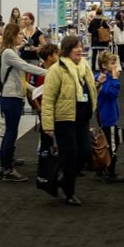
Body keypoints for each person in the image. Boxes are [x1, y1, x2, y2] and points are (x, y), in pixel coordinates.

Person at [41, 35, 98, 206]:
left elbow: (89, 90)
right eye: (76, 47)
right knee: (70, 154)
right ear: (67, 50)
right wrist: (47, 125)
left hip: (82, 118)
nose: (80, 50)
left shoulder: (84, 66)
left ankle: (64, 177)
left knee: (86, 152)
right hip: (64, 119)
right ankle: (69, 192)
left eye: (80, 46)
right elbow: (48, 99)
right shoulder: (56, 70)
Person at [0, 23, 47, 182]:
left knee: (11, 132)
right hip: (10, 98)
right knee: (10, 133)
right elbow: (26, 67)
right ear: (12, 36)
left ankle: (5, 166)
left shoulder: (12, 52)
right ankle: (7, 168)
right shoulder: (8, 53)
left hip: (14, 97)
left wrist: (34, 89)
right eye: (19, 34)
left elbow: (20, 78)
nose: (22, 37)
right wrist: (50, 72)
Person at [96, 51, 124, 183]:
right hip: (108, 117)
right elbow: (113, 93)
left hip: (106, 115)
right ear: (104, 65)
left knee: (107, 143)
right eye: (112, 63)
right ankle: (110, 173)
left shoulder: (100, 78)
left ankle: (102, 169)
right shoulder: (104, 79)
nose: (115, 66)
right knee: (111, 146)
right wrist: (114, 78)